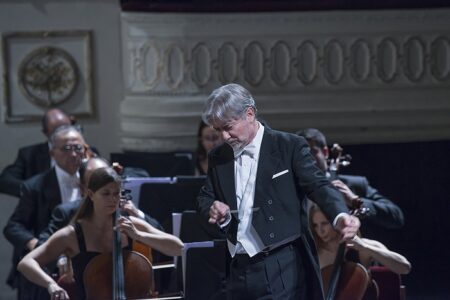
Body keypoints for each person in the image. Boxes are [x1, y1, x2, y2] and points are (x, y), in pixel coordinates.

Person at [196, 83, 360, 300]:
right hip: (237, 267)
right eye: (218, 130)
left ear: (250, 114)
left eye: (228, 127)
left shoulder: (288, 146)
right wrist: (213, 209)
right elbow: (206, 197)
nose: (224, 137)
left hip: (281, 265)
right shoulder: (219, 156)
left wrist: (340, 215)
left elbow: (318, 185)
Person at [17, 166, 184, 300]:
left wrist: (139, 236)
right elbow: (26, 263)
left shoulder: (130, 225)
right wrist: (51, 284)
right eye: (106, 194)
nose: (113, 199)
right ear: (91, 195)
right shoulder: (72, 235)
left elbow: (179, 248)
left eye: (116, 194)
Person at [3, 125, 86, 299]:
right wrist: (38, 245)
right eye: (66, 149)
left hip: (85, 263)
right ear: (52, 153)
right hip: (50, 266)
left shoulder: (92, 178)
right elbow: (13, 226)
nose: (73, 154)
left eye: (78, 148)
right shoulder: (35, 186)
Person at [296, 128, 405, 236]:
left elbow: (395, 216)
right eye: (303, 155)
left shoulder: (355, 185)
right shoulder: (293, 190)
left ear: (325, 152)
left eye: (312, 152)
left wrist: (355, 202)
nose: (308, 160)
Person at [309, 204, 411, 274]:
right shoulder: (314, 250)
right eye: (315, 225)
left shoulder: (362, 247)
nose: (320, 230)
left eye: (324, 223)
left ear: (338, 222)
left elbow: (405, 268)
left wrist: (365, 247)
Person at [0, 108, 72, 197]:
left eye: (67, 128)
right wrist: (34, 190)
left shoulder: (86, 152)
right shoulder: (29, 154)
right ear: (46, 133)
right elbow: (4, 181)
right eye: (57, 131)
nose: (63, 134)